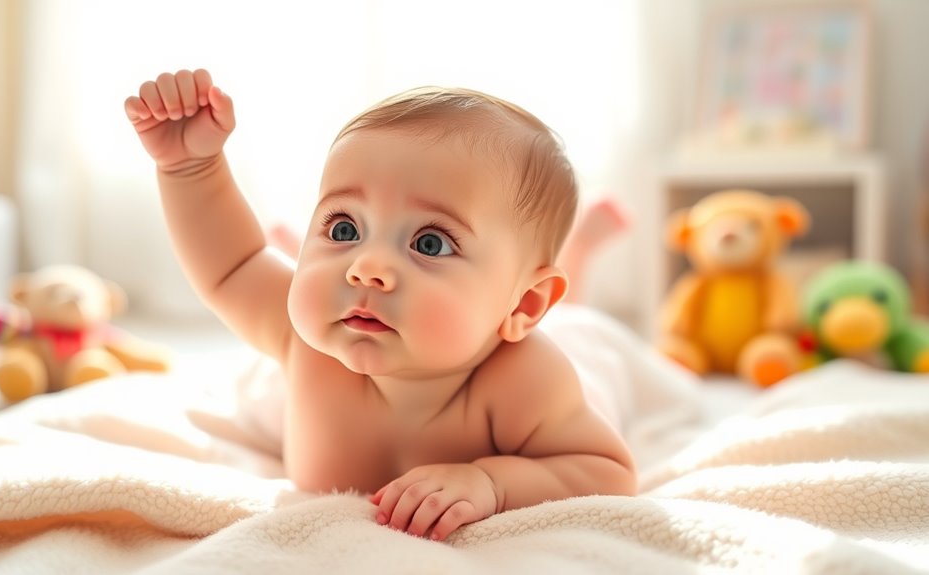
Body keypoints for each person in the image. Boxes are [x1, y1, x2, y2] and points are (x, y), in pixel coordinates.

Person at [125, 69, 636, 541]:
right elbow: (234, 266)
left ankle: (579, 251)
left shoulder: (525, 380)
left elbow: (606, 471)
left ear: (523, 304)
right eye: (344, 229)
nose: (366, 267)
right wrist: (190, 168)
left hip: (566, 348)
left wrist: (491, 483)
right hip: (304, 367)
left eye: (429, 243)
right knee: (288, 295)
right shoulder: (309, 341)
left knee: (576, 324)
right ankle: (293, 249)